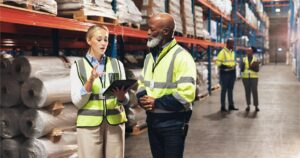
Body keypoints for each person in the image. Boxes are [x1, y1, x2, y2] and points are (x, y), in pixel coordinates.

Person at [136, 13, 197, 158]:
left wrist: (156, 102)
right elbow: (142, 84)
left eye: (152, 29)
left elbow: (186, 94)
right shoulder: (149, 58)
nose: (148, 33)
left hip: (173, 124)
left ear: (166, 31)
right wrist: (142, 98)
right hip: (152, 121)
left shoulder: (182, 57)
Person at [70, 25, 129, 158]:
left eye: (106, 40)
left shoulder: (117, 64)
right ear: (89, 40)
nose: (103, 43)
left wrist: (121, 97)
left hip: (115, 122)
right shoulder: (78, 66)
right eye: (99, 39)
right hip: (89, 125)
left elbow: (125, 99)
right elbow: (77, 102)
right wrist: (90, 81)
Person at [216, 39, 239, 112]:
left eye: (233, 43)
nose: (233, 45)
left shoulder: (232, 52)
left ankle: (231, 105)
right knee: (224, 90)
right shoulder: (222, 52)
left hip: (232, 73)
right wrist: (226, 67)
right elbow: (218, 63)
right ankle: (223, 106)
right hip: (225, 73)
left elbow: (232, 61)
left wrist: (234, 65)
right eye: (231, 43)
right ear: (227, 44)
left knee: (230, 89)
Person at [240, 47, 260, 112]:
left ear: (252, 52)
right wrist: (242, 66)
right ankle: (248, 105)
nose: (248, 52)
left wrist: (251, 68)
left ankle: (256, 106)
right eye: (247, 51)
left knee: (254, 91)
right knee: (247, 91)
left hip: (254, 77)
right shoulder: (243, 59)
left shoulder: (255, 59)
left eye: (249, 51)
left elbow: (257, 70)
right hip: (245, 78)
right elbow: (242, 70)